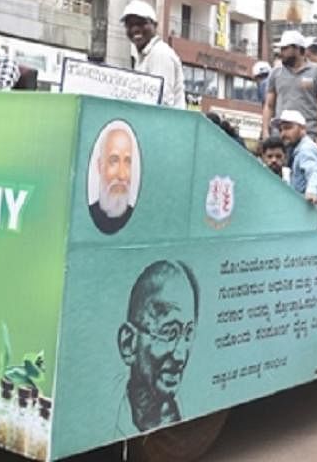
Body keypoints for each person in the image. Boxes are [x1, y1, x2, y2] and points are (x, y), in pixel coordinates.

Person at [114, 260, 199, 433]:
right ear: (128, 343)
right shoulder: (108, 425)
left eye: (188, 333)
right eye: (169, 333)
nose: (180, 356)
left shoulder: (196, 417)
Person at [262, 31, 317, 148]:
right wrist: (265, 132)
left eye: (285, 49)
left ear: (298, 49)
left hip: (308, 134)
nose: (281, 53)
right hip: (280, 135)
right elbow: (268, 105)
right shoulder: (275, 73)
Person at [121, 1, 185, 109]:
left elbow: (162, 102)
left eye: (141, 23)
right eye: (130, 25)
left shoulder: (160, 53)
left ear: (155, 25)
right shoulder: (143, 56)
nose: (135, 29)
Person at [88, 122, 140, 235]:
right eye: (114, 161)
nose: (122, 175)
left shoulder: (133, 214)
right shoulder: (90, 213)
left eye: (127, 162)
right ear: (99, 166)